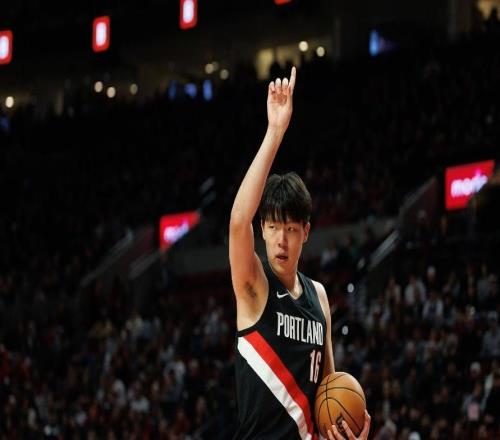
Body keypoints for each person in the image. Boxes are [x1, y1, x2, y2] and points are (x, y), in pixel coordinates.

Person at [229, 67, 370, 439]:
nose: (282, 240)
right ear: (263, 229)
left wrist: (344, 433)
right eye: (274, 227)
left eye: (291, 229)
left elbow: (328, 389)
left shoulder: (318, 297)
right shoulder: (254, 286)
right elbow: (238, 221)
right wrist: (275, 131)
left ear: (306, 233)